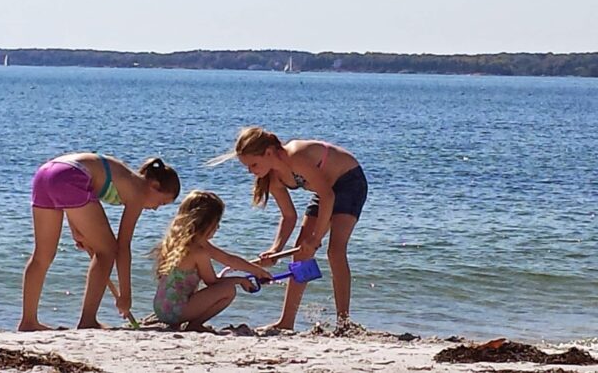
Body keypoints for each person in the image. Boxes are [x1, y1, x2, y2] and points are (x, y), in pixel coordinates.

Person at [209, 126, 368, 330]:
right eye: (248, 167)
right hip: (326, 190)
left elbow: (328, 196)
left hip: (348, 183)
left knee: (335, 251)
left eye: (253, 164)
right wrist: (275, 250)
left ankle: (343, 322)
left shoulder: (296, 156)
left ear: (268, 152)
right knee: (300, 253)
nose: (251, 171)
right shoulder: (274, 177)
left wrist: (315, 239)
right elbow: (289, 216)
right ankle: (287, 322)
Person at [19, 152, 180, 331]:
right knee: (107, 250)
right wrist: (125, 295)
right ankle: (88, 320)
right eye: (162, 202)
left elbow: (78, 191)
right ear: (154, 185)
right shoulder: (138, 191)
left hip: (46, 173)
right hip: (70, 176)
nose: (157, 208)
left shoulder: (127, 176)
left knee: (42, 255)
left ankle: (28, 321)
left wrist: (77, 231)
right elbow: (123, 246)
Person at [152, 190, 273, 332]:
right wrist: (240, 281)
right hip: (176, 311)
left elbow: (228, 259)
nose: (218, 227)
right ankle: (195, 325)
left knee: (223, 288)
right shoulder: (198, 252)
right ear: (205, 223)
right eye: (216, 223)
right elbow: (212, 282)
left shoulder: (175, 242)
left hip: (162, 308)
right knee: (228, 291)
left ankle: (184, 323)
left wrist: (256, 271)